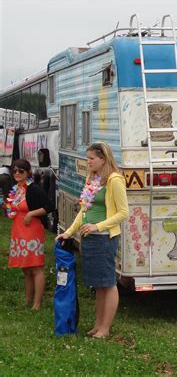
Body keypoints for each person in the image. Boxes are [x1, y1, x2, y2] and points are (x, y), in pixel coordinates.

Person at [56, 142, 129, 338]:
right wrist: (70, 232)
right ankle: (98, 325)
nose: (87, 162)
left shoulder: (114, 180)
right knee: (98, 284)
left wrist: (98, 226)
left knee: (108, 282)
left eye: (91, 158)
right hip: (89, 237)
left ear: (103, 159)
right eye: (87, 158)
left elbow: (123, 212)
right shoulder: (92, 178)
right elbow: (84, 210)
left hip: (104, 238)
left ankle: (105, 328)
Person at [5, 159, 52, 310]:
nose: (17, 173)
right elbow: (12, 207)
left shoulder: (33, 189)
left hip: (32, 231)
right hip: (18, 230)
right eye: (15, 171)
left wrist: (31, 213)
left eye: (21, 171)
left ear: (29, 172)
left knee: (36, 267)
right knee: (25, 268)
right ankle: (27, 300)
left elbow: (50, 206)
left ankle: (37, 304)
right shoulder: (15, 189)